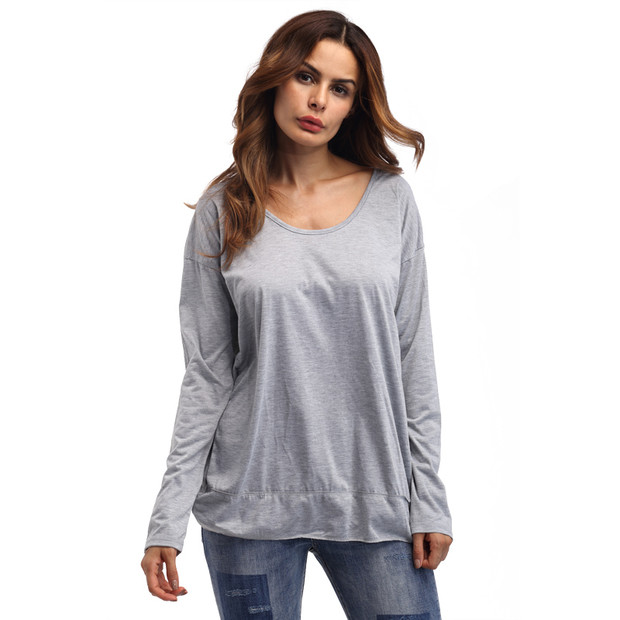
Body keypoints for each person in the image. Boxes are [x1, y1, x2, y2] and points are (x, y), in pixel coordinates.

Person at [141, 9, 453, 619]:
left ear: (355, 105)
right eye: (306, 76)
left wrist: (430, 499)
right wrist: (167, 517)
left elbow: (413, 357)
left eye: (341, 89)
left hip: (375, 501)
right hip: (246, 507)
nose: (318, 101)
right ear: (276, 78)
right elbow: (207, 373)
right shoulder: (224, 208)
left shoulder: (390, 199)